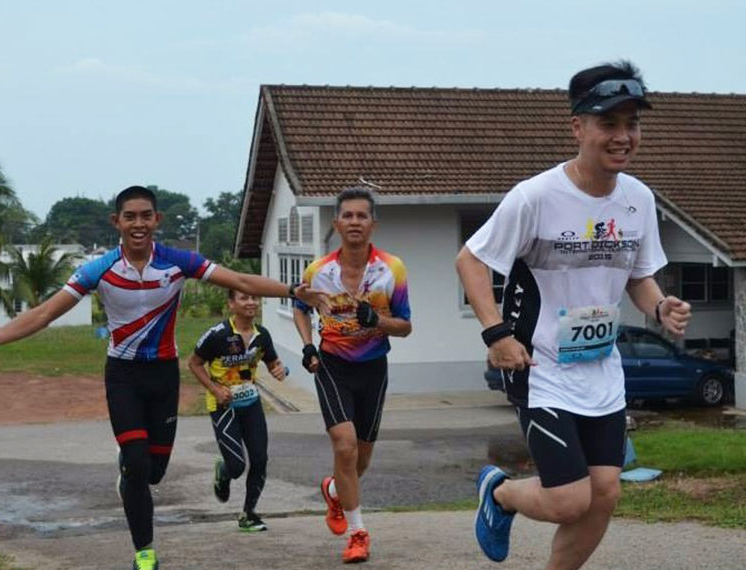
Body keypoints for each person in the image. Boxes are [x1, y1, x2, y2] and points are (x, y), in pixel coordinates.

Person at [0, 185, 326, 570]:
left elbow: (241, 282)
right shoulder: (99, 269)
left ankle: (132, 473)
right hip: (124, 375)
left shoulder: (177, 262)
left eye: (146, 216)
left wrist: (292, 290)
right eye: (129, 216)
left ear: (157, 220)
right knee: (136, 463)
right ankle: (145, 554)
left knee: (154, 472)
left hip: (163, 375)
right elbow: (46, 312)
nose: (138, 223)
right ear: (116, 222)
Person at [456, 61, 692, 569]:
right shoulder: (536, 197)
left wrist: (660, 306)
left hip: (600, 368)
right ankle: (499, 492)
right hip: (540, 367)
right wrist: (496, 334)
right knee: (569, 499)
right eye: (609, 123)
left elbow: (637, 277)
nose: (623, 136)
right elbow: (470, 260)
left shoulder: (638, 199)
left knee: (604, 494)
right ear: (578, 127)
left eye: (632, 124)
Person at [293, 186, 412, 564]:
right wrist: (308, 345)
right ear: (337, 223)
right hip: (332, 365)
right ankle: (358, 533)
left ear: (373, 223)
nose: (355, 222)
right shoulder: (318, 271)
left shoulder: (392, 269)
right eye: (348, 215)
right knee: (344, 447)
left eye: (362, 216)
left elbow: (405, 326)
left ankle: (334, 492)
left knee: (360, 461)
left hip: (374, 368)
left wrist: (377, 320)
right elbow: (299, 306)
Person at [188, 289, 286, 532]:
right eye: (244, 298)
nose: (251, 302)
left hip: (251, 404)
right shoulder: (217, 335)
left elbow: (273, 362)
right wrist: (214, 389)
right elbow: (194, 363)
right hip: (223, 406)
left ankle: (248, 515)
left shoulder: (262, 335)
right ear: (231, 304)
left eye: (254, 298)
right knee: (237, 466)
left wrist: (279, 369)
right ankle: (224, 470)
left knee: (260, 460)